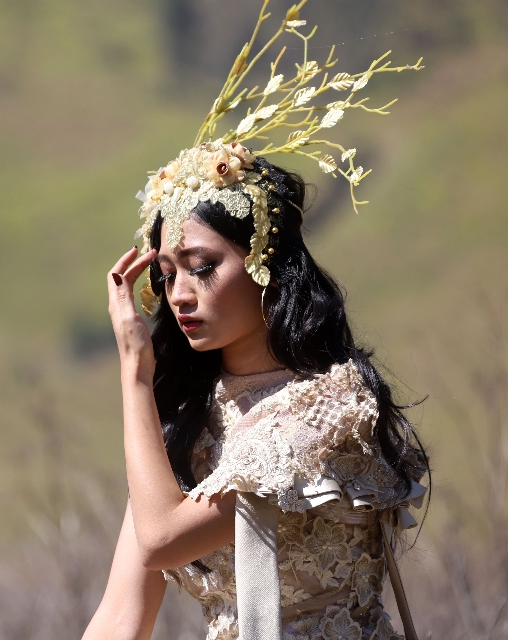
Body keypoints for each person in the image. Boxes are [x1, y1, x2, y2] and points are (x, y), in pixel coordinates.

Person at [81, 7, 429, 640]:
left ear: (265, 264)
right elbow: (120, 616)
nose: (178, 294)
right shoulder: (188, 424)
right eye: (165, 274)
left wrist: (136, 372)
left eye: (203, 267)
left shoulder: (326, 411)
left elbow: (163, 540)